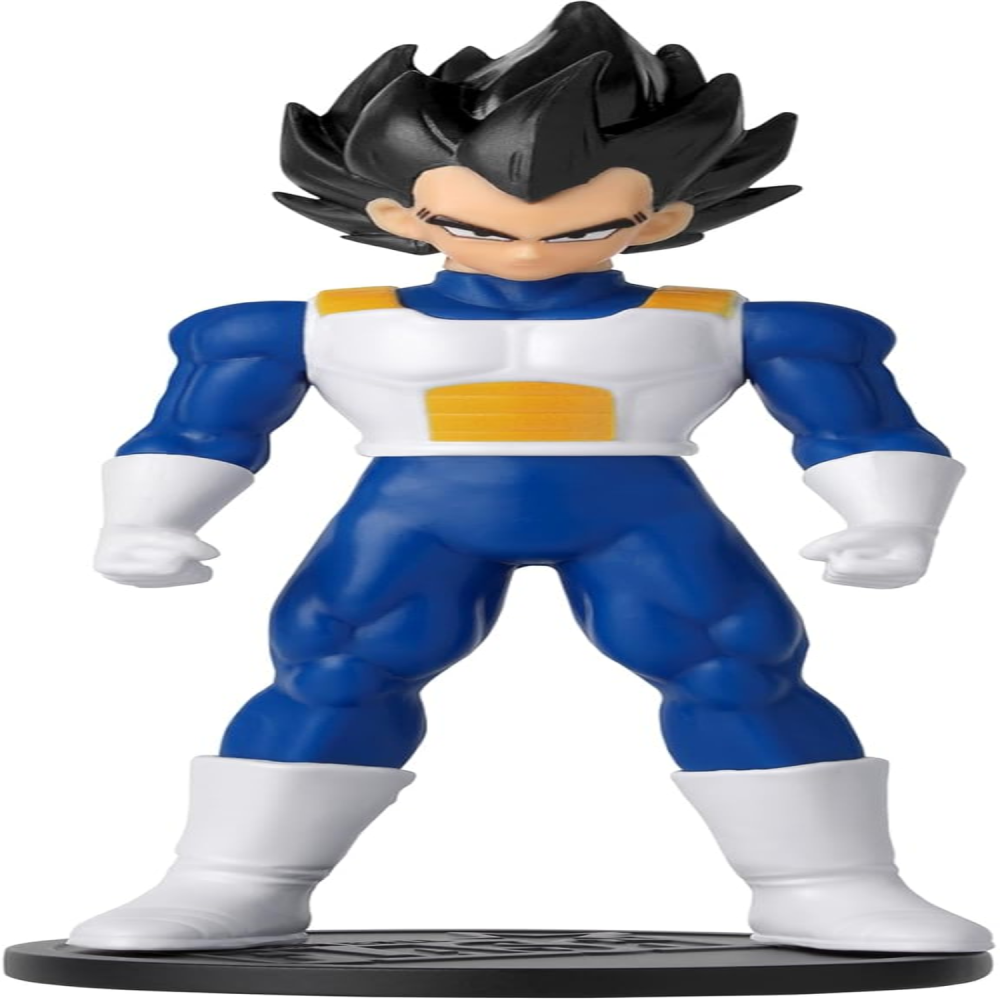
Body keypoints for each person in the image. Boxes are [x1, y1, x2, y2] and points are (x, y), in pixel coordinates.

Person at [68, 1, 992, 956]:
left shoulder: (730, 322)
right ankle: (232, 881)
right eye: (478, 225)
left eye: (581, 228)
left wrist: (891, 518)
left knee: (737, 665)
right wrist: (148, 519)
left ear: (665, 219)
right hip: (415, 518)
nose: (526, 251)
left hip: (639, 518)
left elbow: (852, 422)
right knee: (334, 667)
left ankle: (828, 885)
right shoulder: (317, 324)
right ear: (397, 215)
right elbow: (204, 425)